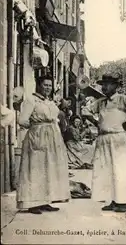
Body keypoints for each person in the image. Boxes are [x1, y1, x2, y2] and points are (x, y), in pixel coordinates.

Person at [82, 73, 126, 213]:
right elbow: (85, 111)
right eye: (103, 84)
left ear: (115, 86)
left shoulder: (123, 99)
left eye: (107, 84)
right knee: (106, 170)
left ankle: (125, 202)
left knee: (121, 168)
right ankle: (112, 200)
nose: (104, 87)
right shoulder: (100, 102)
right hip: (103, 138)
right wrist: (96, 123)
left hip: (118, 138)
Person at [16, 75, 70, 215]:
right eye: (45, 85)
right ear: (38, 85)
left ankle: (46, 201)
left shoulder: (49, 102)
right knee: (35, 169)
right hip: (37, 138)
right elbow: (22, 120)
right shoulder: (31, 100)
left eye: (50, 86)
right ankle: (33, 203)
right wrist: (36, 127)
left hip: (52, 138)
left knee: (48, 169)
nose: (48, 88)